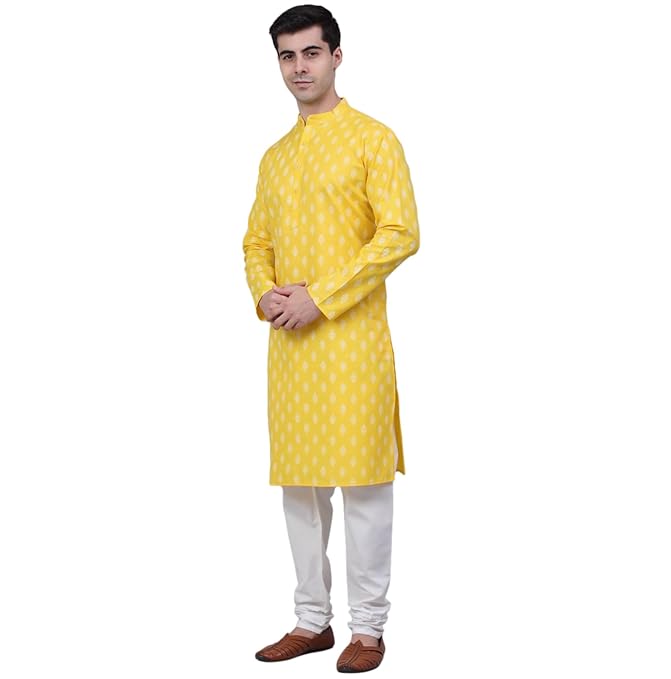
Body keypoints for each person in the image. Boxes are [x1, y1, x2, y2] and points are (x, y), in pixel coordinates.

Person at [242, 4, 419, 673]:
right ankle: (310, 620)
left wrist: (320, 296)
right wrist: (264, 293)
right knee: (301, 490)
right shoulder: (275, 157)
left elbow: (400, 233)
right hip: (290, 348)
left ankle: (367, 630)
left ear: (336, 56)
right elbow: (255, 241)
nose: (299, 67)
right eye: (287, 56)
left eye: (310, 53)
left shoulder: (373, 139)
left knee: (364, 486)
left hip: (352, 345)